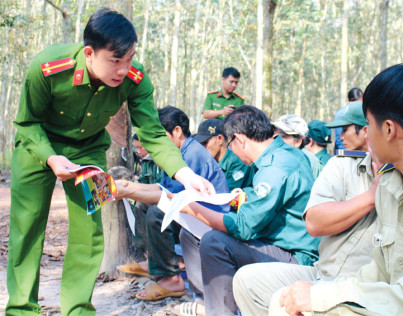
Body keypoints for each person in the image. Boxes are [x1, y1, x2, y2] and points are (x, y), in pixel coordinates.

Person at [6, 9, 214, 315]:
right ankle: (21, 308)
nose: (123, 69)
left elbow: (153, 134)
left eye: (128, 58)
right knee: (26, 226)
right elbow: (27, 122)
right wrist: (50, 157)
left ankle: (78, 309)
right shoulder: (48, 67)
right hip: (38, 147)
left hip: (89, 151)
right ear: (89, 53)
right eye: (115, 60)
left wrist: (184, 174)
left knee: (89, 229)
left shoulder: (135, 78)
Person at [241, 64, 403, 315]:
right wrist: (323, 293)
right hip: (387, 304)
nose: (367, 135)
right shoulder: (390, 183)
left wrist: (322, 298)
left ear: (388, 129)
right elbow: (379, 272)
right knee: (283, 301)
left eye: (369, 125)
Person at [233, 101, 382, 315]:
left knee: (283, 303)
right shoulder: (340, 166)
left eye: (345, 129)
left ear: (367, 131)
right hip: (323, 271)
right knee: (247, 280)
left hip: (355, 283)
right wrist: (369, 198)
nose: (340, 136)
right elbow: (314, 222)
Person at [177, 105, 320, 316]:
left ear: (240, 139)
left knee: (213, 242)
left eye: (231, 144)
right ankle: (211, 304)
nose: (231, 151)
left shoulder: (274, 168)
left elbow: (243, 227)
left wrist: (192, 209)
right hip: (279, 240)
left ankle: (221, 312)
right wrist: (242, 197)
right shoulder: (282, 151)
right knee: (190, 234)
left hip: (296, 255)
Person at [116, 106, 230, 301]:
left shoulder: (192, 154)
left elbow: (169, 198)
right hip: (192, 212)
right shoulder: (180, 152)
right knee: (144, 205)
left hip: (209, 219)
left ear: (177, 131)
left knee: (157, 213)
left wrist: (130, 192)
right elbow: (164, 188)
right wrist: (130, 187)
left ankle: (172, 278)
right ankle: (153, 263)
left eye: (160, 138)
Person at [193, 119, 254, 190]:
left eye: (205, 143)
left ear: (220, 139)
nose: (202, 148)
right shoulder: (206, 162)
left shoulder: (238, 162)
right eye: (200, 143)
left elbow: (226, 193)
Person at [272, 114, 322, 179]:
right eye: (275, 136)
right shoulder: (274, 157)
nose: (277, 139)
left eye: (283, 137)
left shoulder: (311, 163)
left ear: (298, 141)